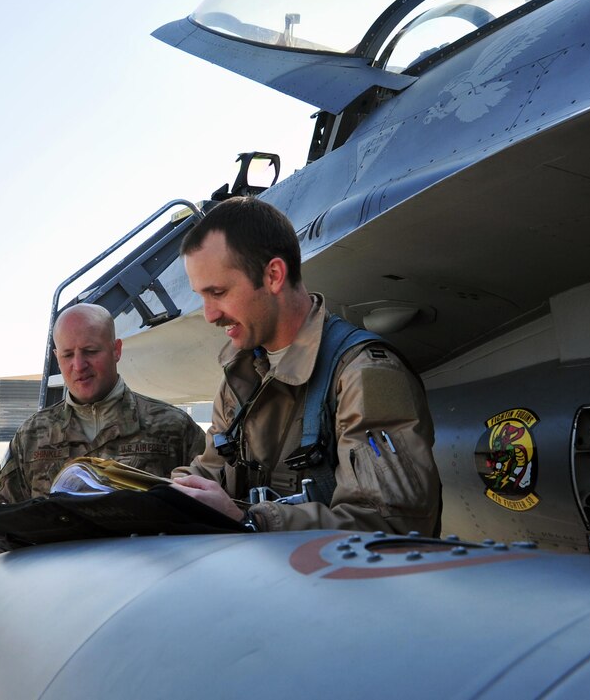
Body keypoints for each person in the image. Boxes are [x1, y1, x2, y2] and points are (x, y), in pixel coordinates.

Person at [169, 196, 441, 535]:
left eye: (219, 292)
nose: (209, 315)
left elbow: (393, 528)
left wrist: (251, 521)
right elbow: (208, 473)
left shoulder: (363, 375)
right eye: (202, 296)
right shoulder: (241, 378)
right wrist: (152, 495)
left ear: (273, 275)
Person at [0, 303, 205, 574]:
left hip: (143, 587)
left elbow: (211, 514)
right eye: (67, 355)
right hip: (59, 589)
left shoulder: (173, 427)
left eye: (90, 351)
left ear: (116, 350)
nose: (78, 365)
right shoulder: (32, 435)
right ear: (56, 357)